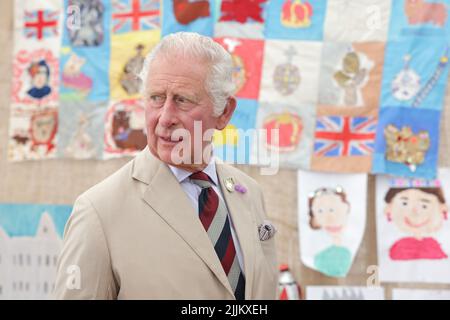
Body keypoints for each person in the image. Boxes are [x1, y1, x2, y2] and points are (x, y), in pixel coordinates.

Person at [53, 32, 278, 299]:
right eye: (156, 98)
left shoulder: (249, 193)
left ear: (224, 112)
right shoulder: (98, 212)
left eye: (182, 100)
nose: (165, 118)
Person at [384, 186, 448, 260]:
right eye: (405, 204)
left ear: (443, 209)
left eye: (424, 206)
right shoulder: (399, 247)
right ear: (388, 209)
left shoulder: (433, 245)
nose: (415, 212)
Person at [308, 186, 352, 277]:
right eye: (320, 211)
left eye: (332, 210)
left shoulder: (346, 252)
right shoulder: (319, 256)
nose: (330, 218)